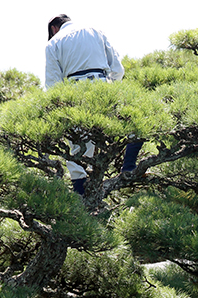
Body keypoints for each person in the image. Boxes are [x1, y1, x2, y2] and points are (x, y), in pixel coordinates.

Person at [45, 14, 141, 195]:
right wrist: (111, 88)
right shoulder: (95, 31)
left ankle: (81, 197)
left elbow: (53, 85)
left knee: (78, 149)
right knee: (135, 124)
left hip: (76, 92)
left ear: (54, 29)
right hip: (102, 85)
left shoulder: (53, 43)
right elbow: (118, 68)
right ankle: (129, 167)